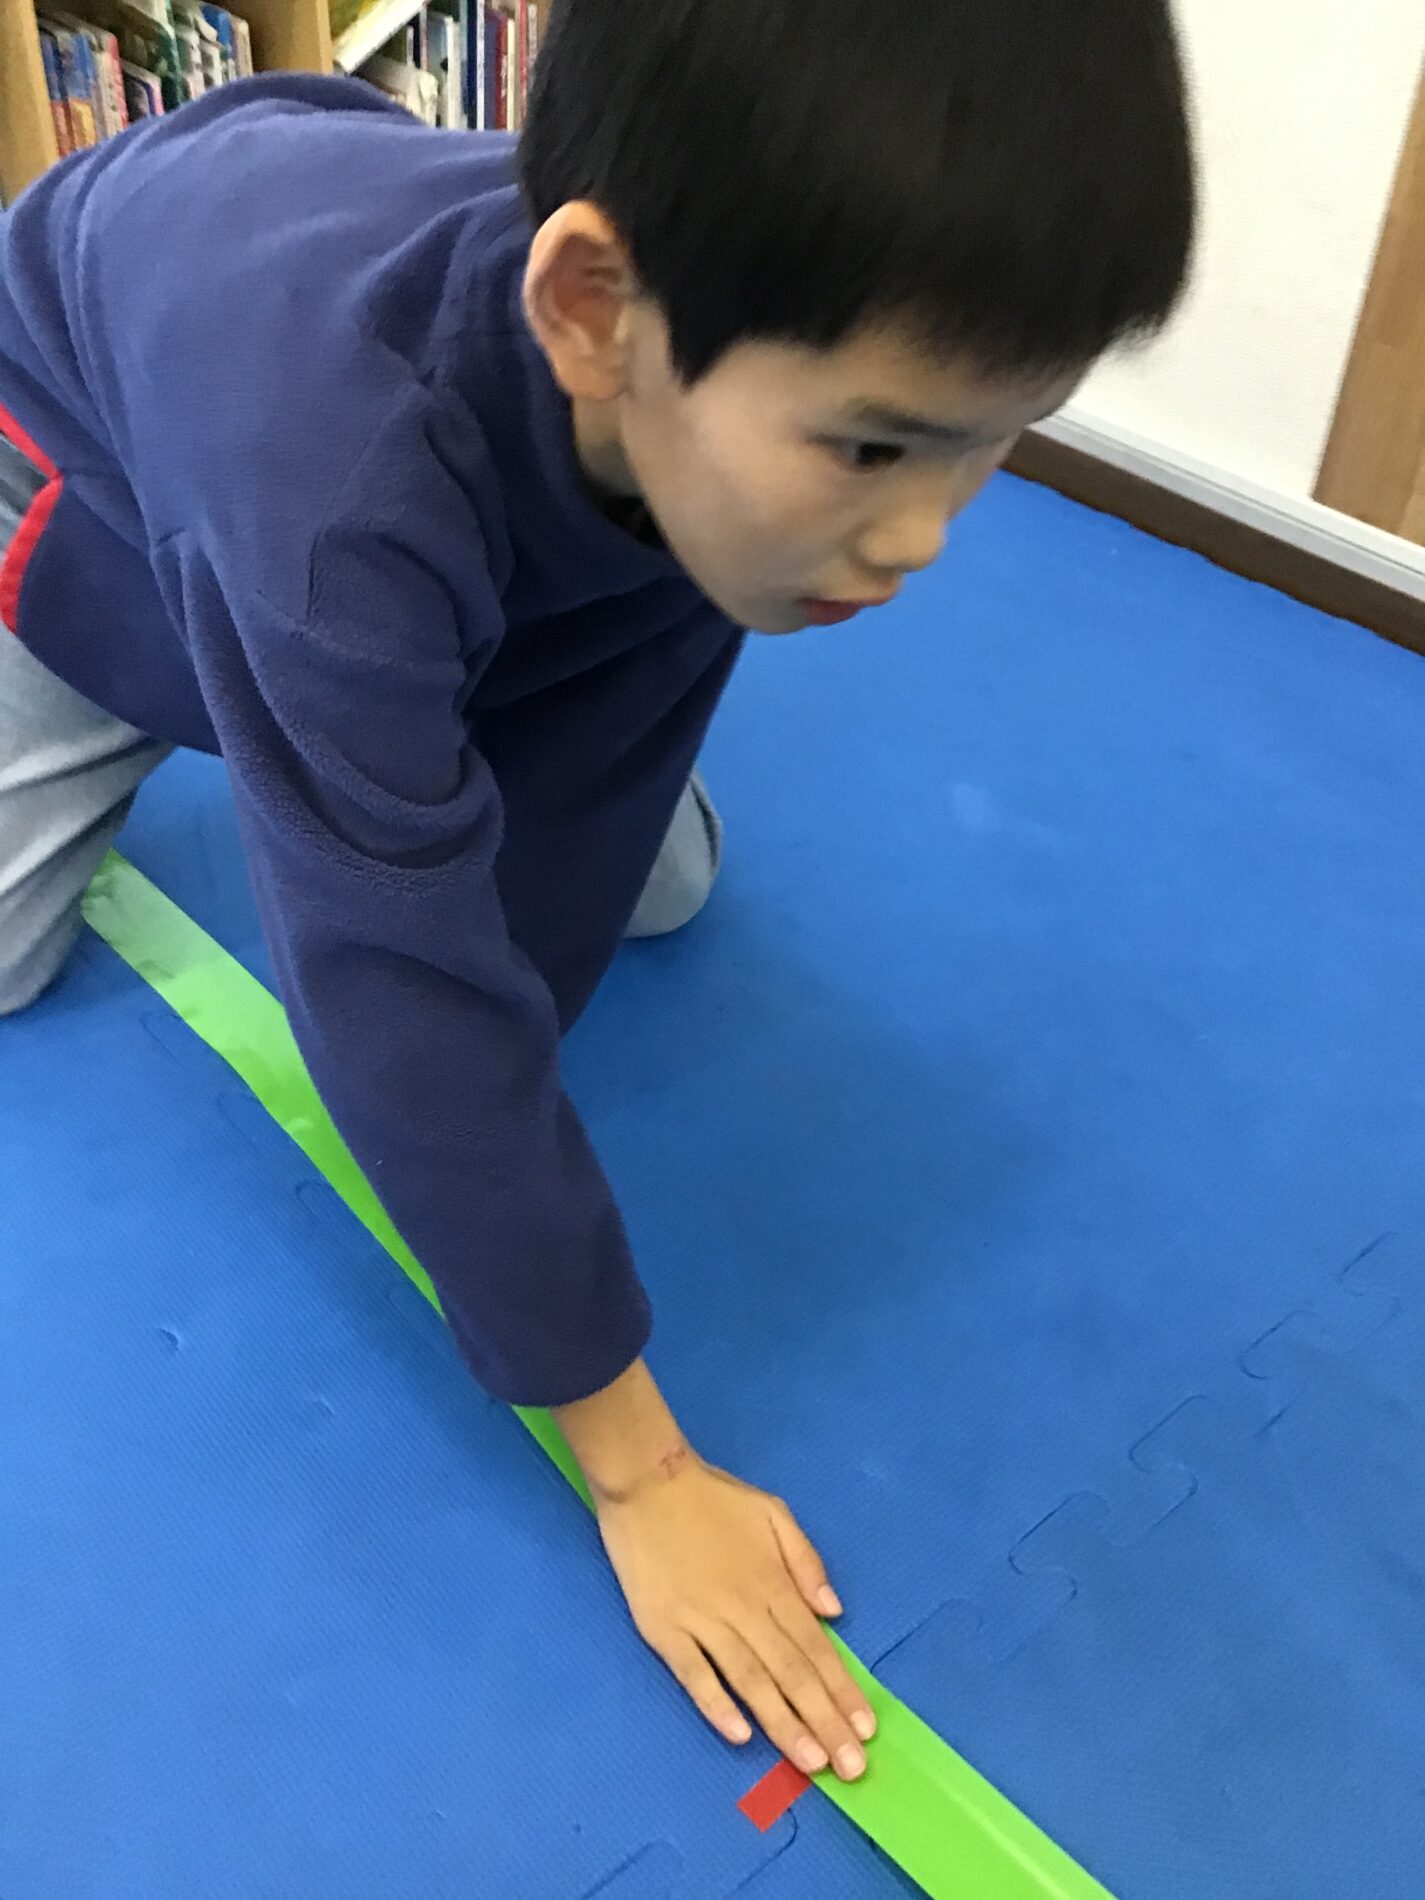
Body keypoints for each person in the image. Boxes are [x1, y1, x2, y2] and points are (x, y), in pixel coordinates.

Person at [0, 0, 1194, 1783]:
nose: (924, 537)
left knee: (643, 885)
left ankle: (360, 708)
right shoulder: (337, 490)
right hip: (81, 434)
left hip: (368, 379)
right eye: (875, 449)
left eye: (993, 439)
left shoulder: (674, 378)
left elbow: (607, 741)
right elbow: (401, 993)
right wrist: (637, 1466)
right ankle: (275, 688)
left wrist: (507, 980)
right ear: (590, 312)